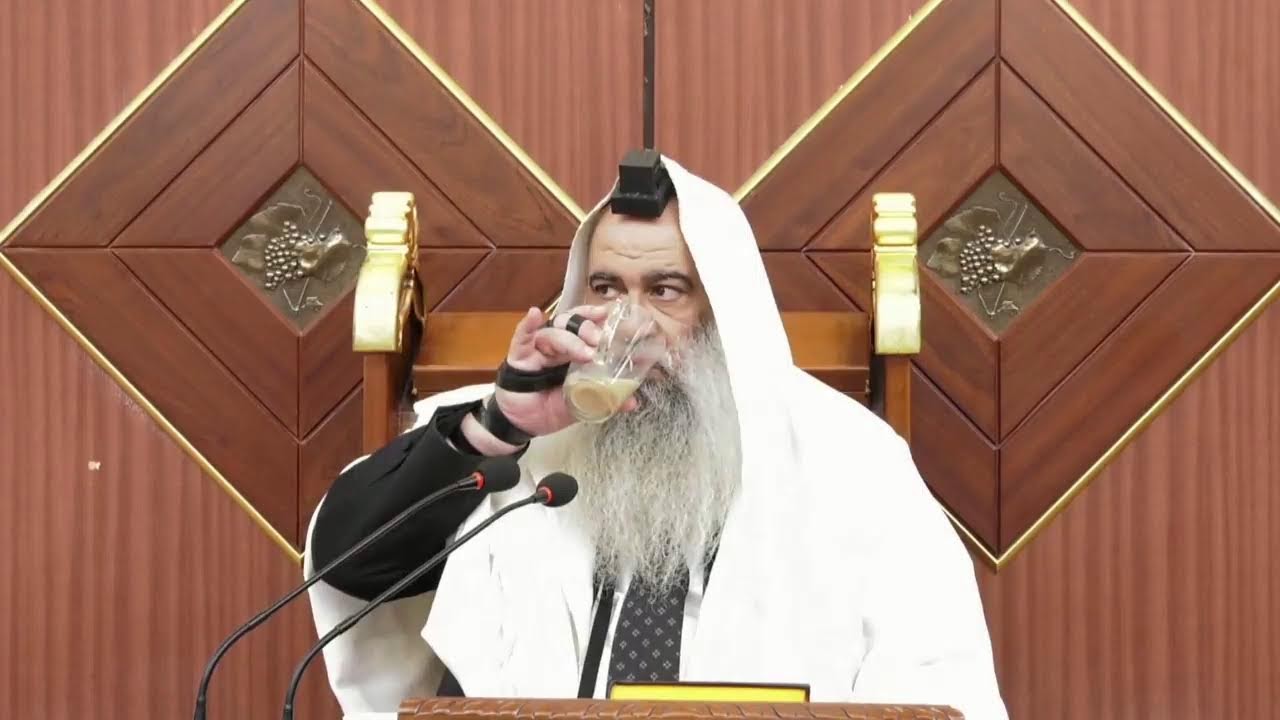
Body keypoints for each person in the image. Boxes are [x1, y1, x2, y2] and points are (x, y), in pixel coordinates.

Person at [304, 154, 1008, 719]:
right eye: (607, 288)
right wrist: (500, 429)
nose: (629, 324)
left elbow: (939, 685)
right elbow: (350, 564)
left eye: (665, 290)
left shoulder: (848, 459)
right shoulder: (508, 427)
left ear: (723, 311)